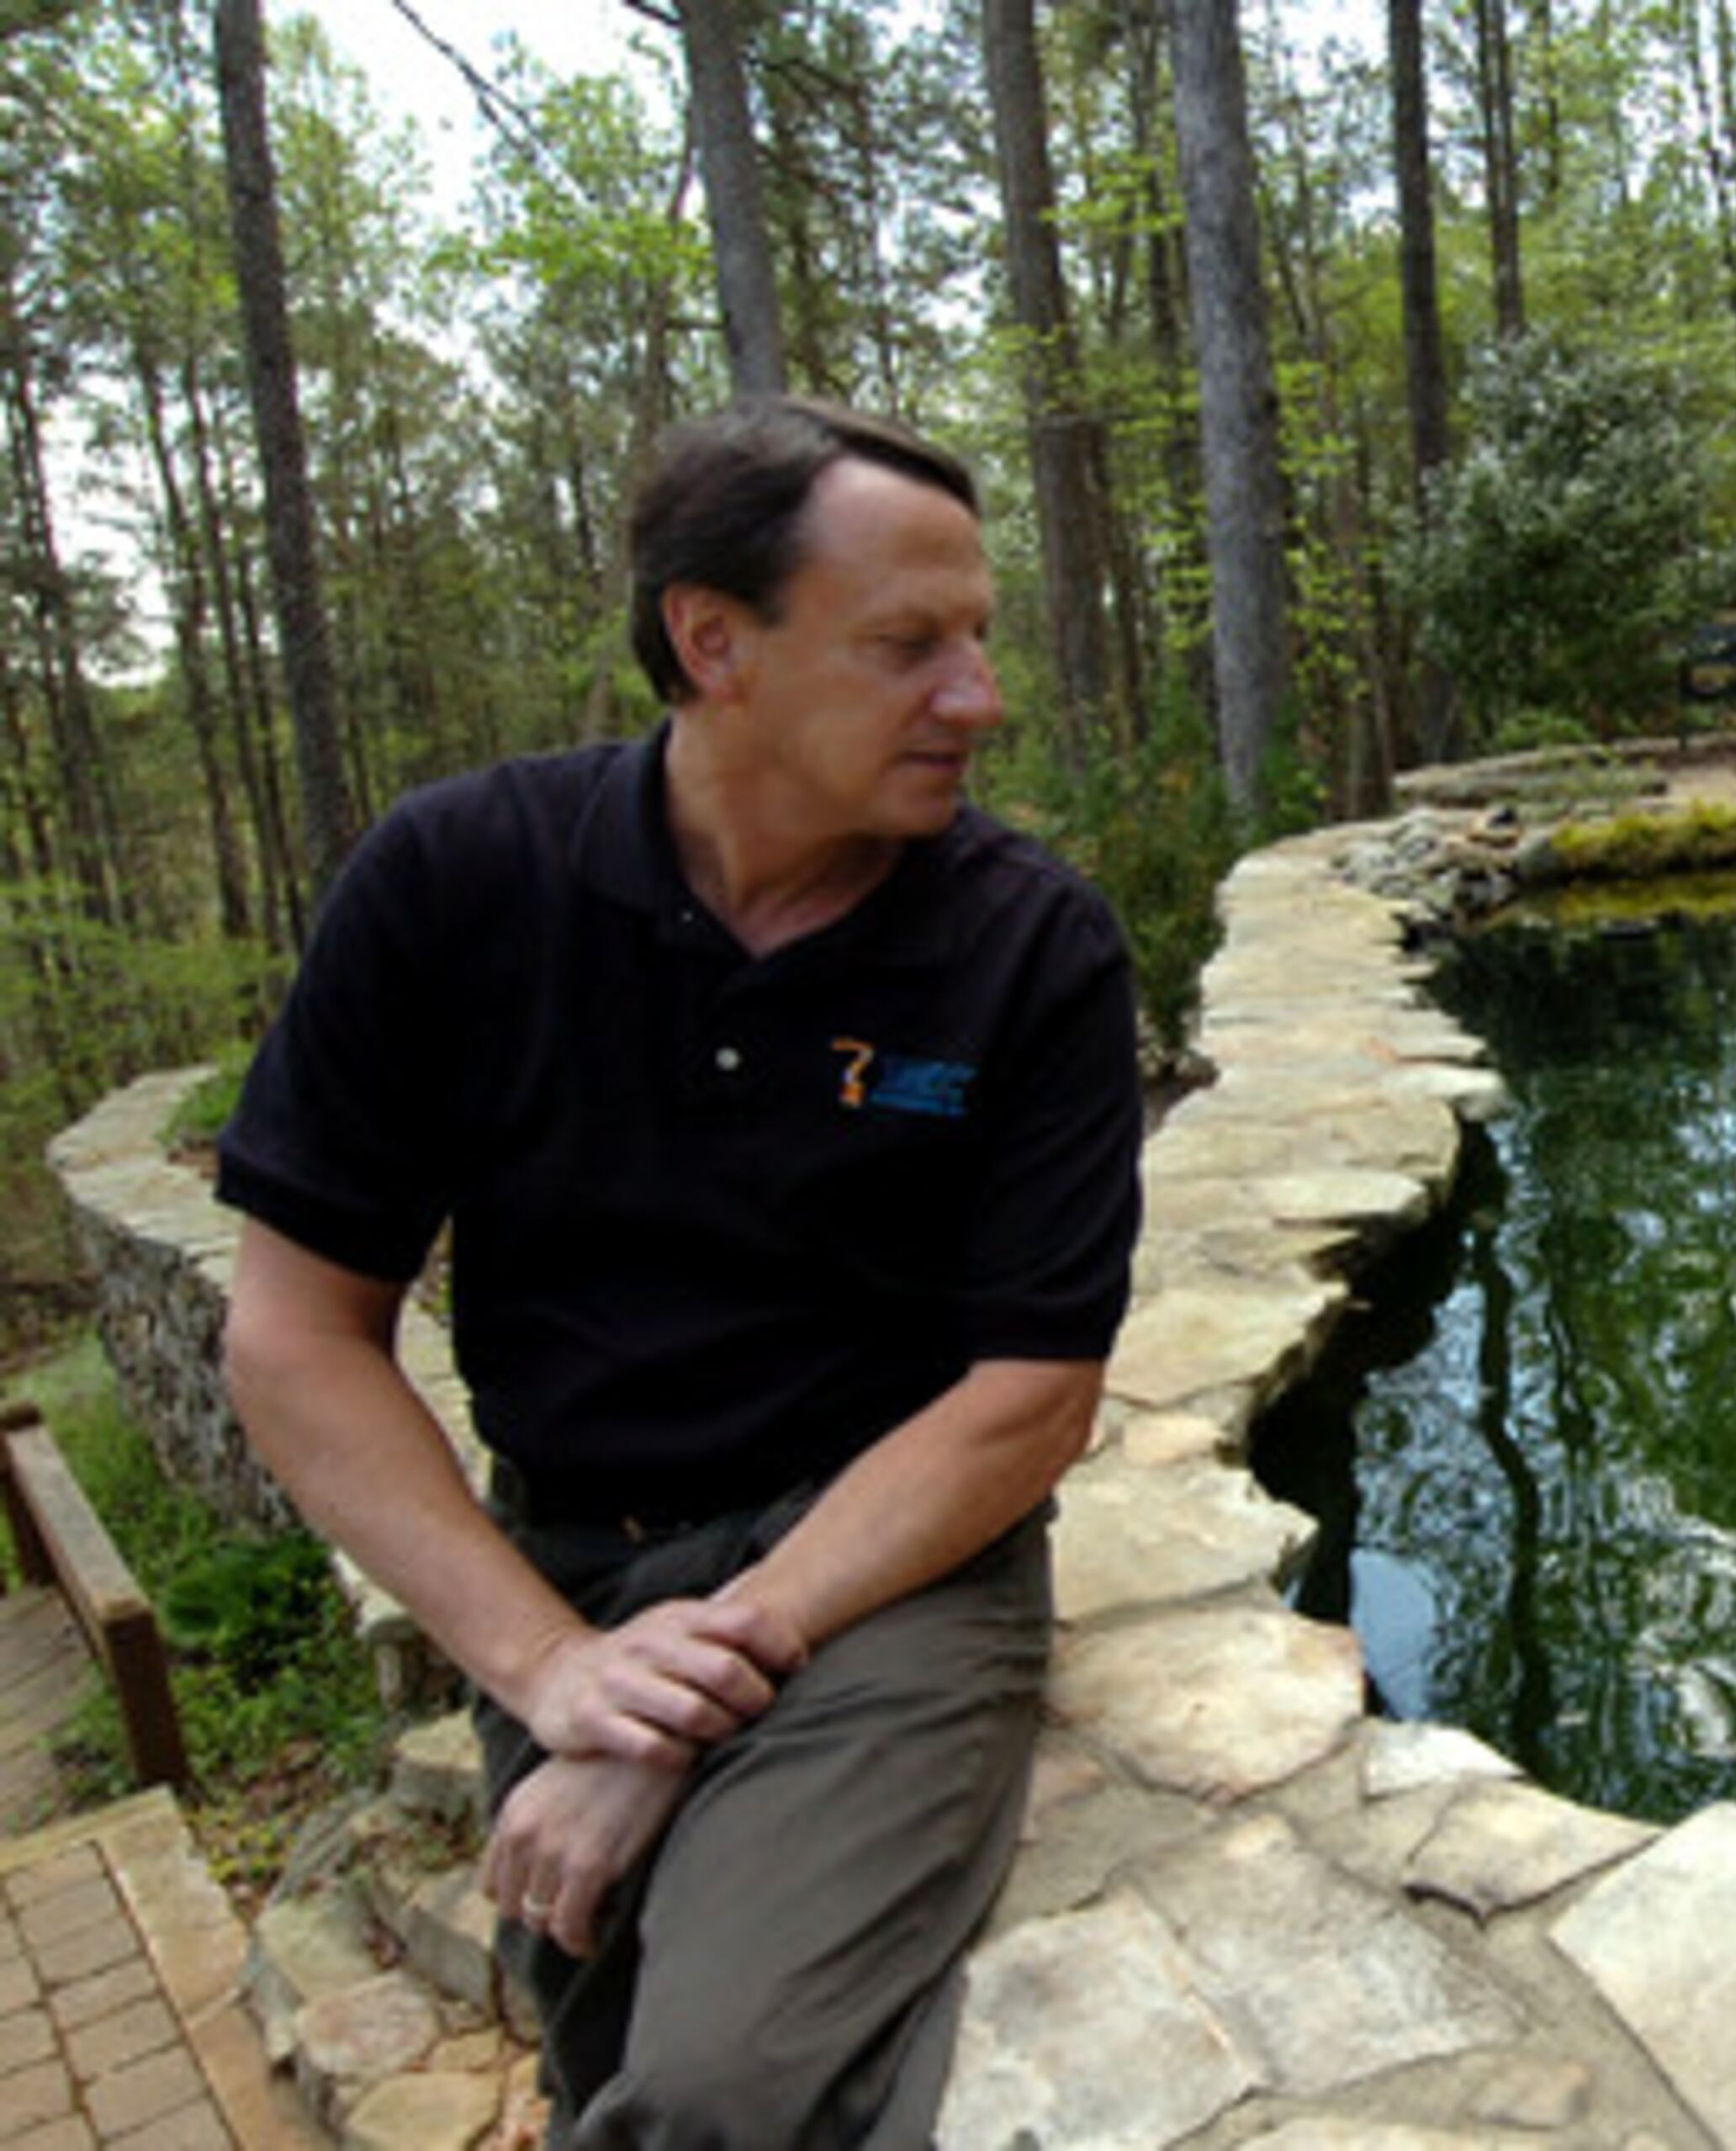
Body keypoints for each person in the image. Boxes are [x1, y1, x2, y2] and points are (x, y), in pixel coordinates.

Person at [215, 395, 1143, 2148]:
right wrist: (558, 1669)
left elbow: (1029, 1401)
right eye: (909, 646)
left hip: (887, 1571)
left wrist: (687, 1686)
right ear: (713, 640)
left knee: (726, 2089)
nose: (981, 697)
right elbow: (294, 1338)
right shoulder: (456, 885)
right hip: (572, 1554)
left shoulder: (1029, 944)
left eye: (981, 641)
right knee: (605, 2024)